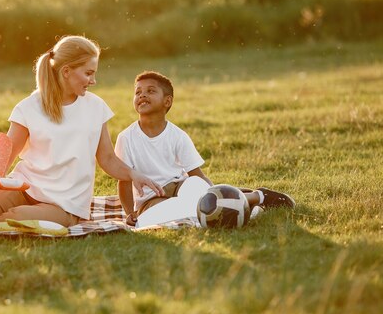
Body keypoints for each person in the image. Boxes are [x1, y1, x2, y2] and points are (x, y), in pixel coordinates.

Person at [0, 36, 164, 227]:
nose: (93, 81)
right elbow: (6, 154)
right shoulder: (29, 107)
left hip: (65, 204)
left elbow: (108, 158)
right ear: (66, 71)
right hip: (25, 188)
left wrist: (133, 174)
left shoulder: (96, 107)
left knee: (12, 219)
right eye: (88, 73)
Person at [115, 71, 295, 226]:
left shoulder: (178, 135)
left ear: (167, 101)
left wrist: (215, 192)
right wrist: (130, 213)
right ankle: (249, 200)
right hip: (151, 201)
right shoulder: (126, 138)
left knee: (196, 188)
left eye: (150, 91)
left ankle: (250, 198)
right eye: (138, 92)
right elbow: (123, 181)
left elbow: (196, 175)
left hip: (180, 186)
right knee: (146, 221)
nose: (142, 95)